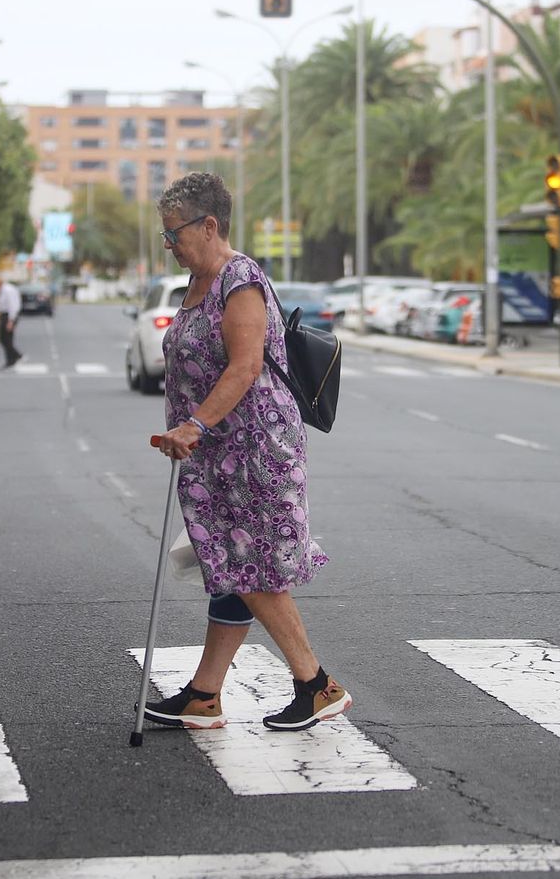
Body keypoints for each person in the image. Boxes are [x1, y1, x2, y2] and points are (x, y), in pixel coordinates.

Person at [142, 172, 350, 734]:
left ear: (210, 225)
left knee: (252, 567)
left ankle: (316, 685)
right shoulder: (197, 283)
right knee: (233, 568)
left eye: (175, 233)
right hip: (217, 455)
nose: (170, 244)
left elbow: (245, 367)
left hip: (253, 449)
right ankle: (205, 695)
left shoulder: (241, 280)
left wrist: (193, 426)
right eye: (165, 235)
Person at [0, 275, 22, 368]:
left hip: (9, 316)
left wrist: (11, 321)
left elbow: (12, 306)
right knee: (6, 339)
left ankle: (16, 355)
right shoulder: (3, 290)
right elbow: (2, 304)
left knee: (4, 338)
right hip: (5, 315)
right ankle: (11, 360)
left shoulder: (8, 290)